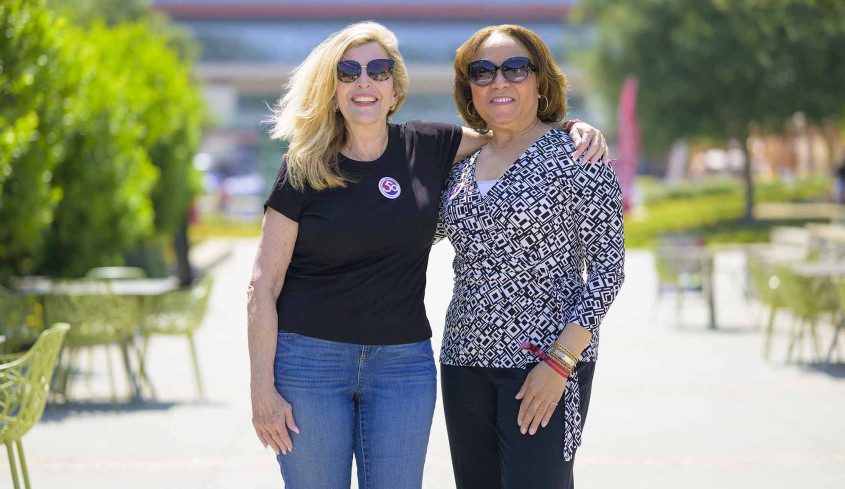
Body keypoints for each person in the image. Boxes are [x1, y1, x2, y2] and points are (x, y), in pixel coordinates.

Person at [246, 22, 608, 489]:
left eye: (379, 70)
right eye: (349, 71)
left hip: (403, 367)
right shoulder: (304, 164)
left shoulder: (432, 146)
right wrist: (261, 389)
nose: (365, 82)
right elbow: (263, 283)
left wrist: (570, 126)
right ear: (329, 86)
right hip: (315, 363)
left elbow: (511, 131)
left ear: (395, 87)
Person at [438, 25, 625, 489]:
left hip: (543, 365)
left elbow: (608, 270)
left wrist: (561, 363)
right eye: (482, 72)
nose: (499, 82)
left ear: (540, 82)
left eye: (515, 68)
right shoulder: (459, 165)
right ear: (470, 90)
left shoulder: (578, 156)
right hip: (463, 362)